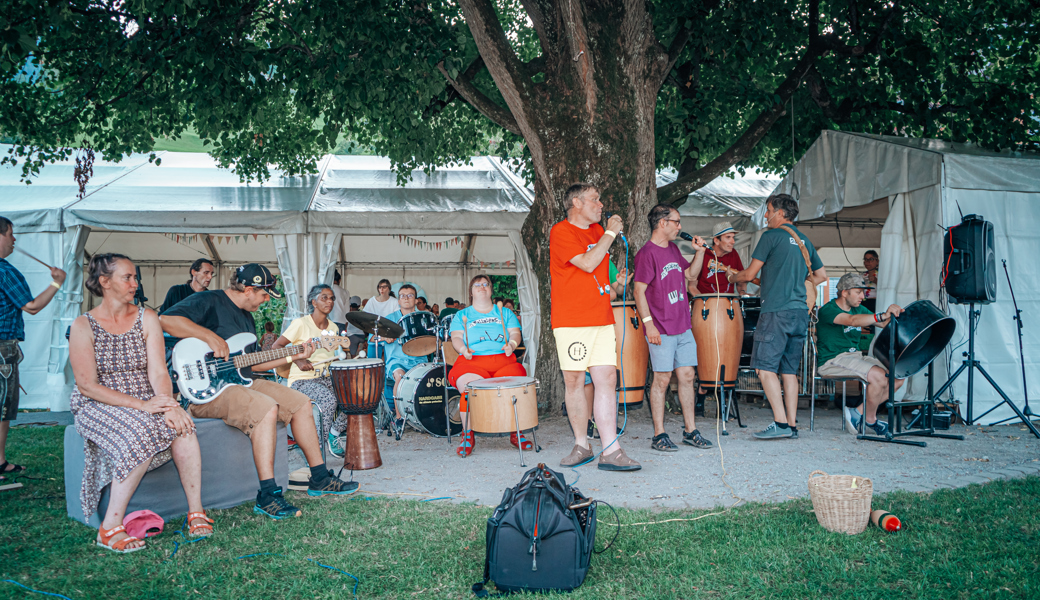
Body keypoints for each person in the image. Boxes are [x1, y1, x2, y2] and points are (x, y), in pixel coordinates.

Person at [160, 263, 357, 520]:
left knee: (300, 402)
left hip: (240, 381)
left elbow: (252, 363)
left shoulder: (246, 318)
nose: (265, 301)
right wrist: (209, 337)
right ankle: (268, 495)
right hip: (207, 390)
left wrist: (293, 354)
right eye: (264, 295)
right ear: (249, 289)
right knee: (266, 408)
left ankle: (319, 477)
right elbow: (165, 319)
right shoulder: (208, 300)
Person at [69, 253, 212, 552]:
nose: (135, 283)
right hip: (99, 401)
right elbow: (87, 385)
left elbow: (159, 370)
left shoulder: (147, 317)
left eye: (136, 277)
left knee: (184, 426)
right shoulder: (83, 325)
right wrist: (142, 406)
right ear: (105, 282)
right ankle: (109, 528)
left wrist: (168, 403)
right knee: (139, 428)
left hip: (147, 395)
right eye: (128, 277)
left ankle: (195, 510)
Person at [550, 182, 640, 471]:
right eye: (595, 200)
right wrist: (611, 233)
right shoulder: (561, 231)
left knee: (607, 381)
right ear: (576, 203)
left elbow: (604, 279)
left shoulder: (599, 233)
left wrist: (618, 283)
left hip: (601, 318)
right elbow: (588, 263)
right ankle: (582, 444)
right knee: (575, 382)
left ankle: (611, 450)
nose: (601, 205)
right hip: (572, 321)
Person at [728, 194, 827, 440]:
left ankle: (780, 423)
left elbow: (750, 273)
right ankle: (791, 425)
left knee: (763, 368)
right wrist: (795, 283)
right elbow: (822, 275)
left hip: (776, 312)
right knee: (789, 372)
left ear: (781, 213)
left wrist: (732, 277)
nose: (765, 215)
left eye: (769, 210)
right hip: (799, 313)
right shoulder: (804, 240)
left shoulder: (770, 237)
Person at [633, 205, 713, 452]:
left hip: (682, 326)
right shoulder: (647, 253)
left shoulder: (675, 249)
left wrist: (699, 253)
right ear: (662, 223)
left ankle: (690, 430)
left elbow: (690, 275)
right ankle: (659, 434)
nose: (680, 226)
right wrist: (649, 325)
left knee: (688, 376)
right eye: (676, 222)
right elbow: (639, 291)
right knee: (662, 378)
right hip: (661, 328)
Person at [0, 217, 67, 476]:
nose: (14, 240)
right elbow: (32, 306)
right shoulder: (4, 271)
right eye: (10, 234)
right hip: (3, 347)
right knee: (3, 407)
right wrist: (57, 282)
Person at [448, 274, 527, 457]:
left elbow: (515, 333)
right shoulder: (462, 315)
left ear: (491, 289)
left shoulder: (505, 313)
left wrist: (512, 345)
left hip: (503, 360)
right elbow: (456, 338)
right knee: (468, 390)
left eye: (485, 284)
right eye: (477, 285)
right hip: (471, 361)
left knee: (517, 389)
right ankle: (468, 435)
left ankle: (517, 432)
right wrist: (463, 350)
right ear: (471, 291)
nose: (482, 287)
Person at [816, 273, 904, 437]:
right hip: (832, 360)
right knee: (878, 377)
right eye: (859, 292)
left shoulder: (859, 308)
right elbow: (852, 320)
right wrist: (881, 315)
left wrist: (893, 313)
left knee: (898, 377)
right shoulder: (828, 310)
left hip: (855, 356)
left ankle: (858, 413)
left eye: (864, 293)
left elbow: (883, 323)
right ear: (844, 292)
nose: (863, 297)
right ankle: (870, 418)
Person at [272, 284, 351, 459]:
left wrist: (344, 355)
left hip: (326, 377)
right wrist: (298, 359)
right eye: (324, 297)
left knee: (353, 397)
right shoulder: (301, 324)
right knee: (329, 401)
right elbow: (276, 346)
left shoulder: (334, 328)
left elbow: (335, 353)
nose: (329, 301)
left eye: (331, 298)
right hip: (302, 380)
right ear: (313, 302)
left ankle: (334, 434)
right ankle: (317, 454)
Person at [690, 220, 746, 416]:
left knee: (727, 352)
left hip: (729, 307)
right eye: (728, 237)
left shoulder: (734, 255)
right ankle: (701, 393)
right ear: (716, 240)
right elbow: (691, 284)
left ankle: (724, 397)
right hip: (706, 307)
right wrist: (701, 300)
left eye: (733, 237)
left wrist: (741, 290)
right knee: (705, 353)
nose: (732, 241)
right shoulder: (703, 255)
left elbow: (741, 280)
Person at [380, 284, 428, 427]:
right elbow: (372, 338)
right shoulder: (389, 318)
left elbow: (431, 342)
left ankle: (423, 415)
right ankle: (400, 418)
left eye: (410, 295)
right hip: (397, 361)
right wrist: (384, 337)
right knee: (400, 377)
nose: (406, 298)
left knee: (427, 380)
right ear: (398, 301)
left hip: (419, 360)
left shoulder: (423, 318)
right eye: (402, 296)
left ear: (416, 301)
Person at [362, 279, 399, 359]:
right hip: (374, 333)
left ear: (389, 289)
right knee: (372, 362)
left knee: (390, 360)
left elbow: (397, 318)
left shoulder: (394, 302)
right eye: (380, 287)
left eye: (384, 287)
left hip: (390, 334)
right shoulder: (372, 301)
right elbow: (364, 317)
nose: (381, 289)